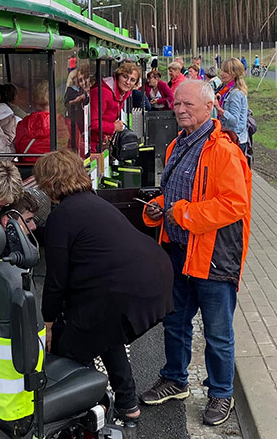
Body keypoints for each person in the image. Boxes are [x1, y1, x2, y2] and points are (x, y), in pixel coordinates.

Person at [140, 80, 251, 427]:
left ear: (209, 107)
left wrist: (184, 214)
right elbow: (172, 195)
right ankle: (175, 379)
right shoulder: (176, 145)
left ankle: (221, 393)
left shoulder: (224, 151)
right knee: (174, 321)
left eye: (188, 104)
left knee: (218, 333)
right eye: (177, 104)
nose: (180, 109)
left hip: (214, 257)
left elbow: (235, 204)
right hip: (178, 253)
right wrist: (160, 208)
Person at [34, 149, 174, 423]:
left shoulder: (62, 216)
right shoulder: (94, 202)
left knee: (69, 349)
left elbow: (56, 280)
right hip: (154, 277)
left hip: (124, 290)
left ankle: (86, 413)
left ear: (49, 184)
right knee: (106, 332)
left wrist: (48, 323)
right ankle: (127, 403)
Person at [89, 62, 140, 152]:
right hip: (89, 145)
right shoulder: (103, 93)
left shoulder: (123, 94)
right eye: (125, 77)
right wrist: (113, 127)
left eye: (132, 80)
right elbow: (91, 123)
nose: (128, 82)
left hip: (100, 143)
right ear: (117, 76)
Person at [14, 80, 69, 162]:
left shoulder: (24, 123)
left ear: (34, 100)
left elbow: (18, 146)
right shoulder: (62, 123)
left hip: (28, 165)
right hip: (57, 165)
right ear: (56, 99)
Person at [213, 58, 249, 153]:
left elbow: (234, 120)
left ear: (233, 74)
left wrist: (218, 108)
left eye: (225, 71)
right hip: (231, 138)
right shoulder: (227, 90)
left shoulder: (235, 93)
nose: (221, 74)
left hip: (236, 139)